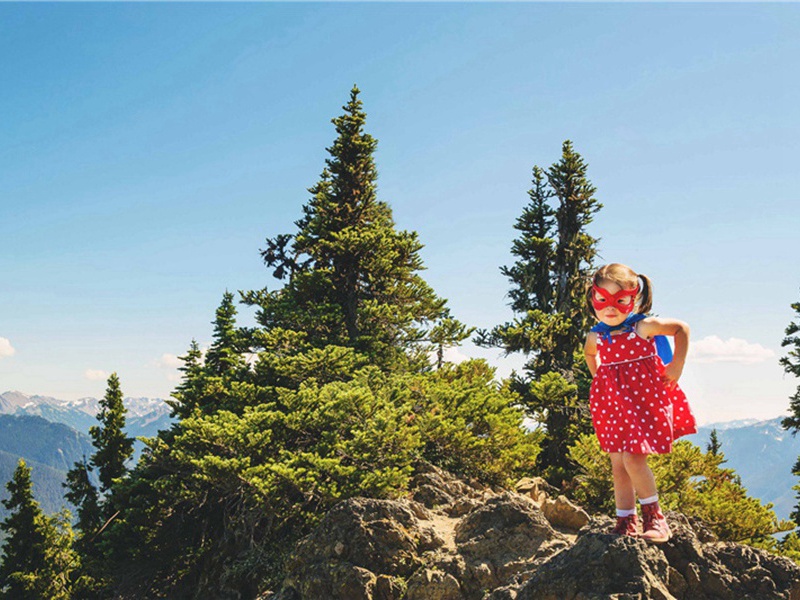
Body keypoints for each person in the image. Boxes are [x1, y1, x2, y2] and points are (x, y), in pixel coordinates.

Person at [584, 263, 696, 542]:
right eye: (603, 299)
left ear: (633, 299)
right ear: (592, 299)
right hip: (613, 407)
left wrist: (677, 364)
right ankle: (625, 520)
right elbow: (589, 355)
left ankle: (656, 519)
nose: (611, 307)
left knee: (633, 459)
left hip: (644, 404)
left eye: (620, 300)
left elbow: (681, 329)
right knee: (618, 463)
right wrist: (600, 379)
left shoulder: (642, 327)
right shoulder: (596, 336)